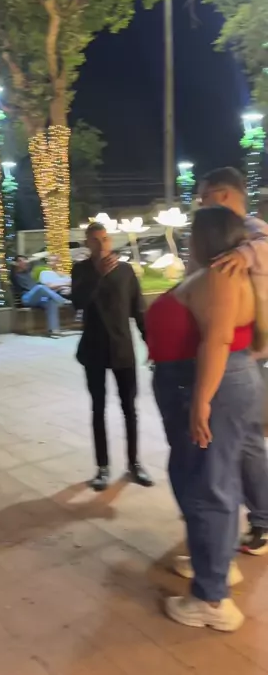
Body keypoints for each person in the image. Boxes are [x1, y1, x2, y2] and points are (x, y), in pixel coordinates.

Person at [147, 206, 268, 631]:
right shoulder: (221, 272)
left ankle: (212, 599)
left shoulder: (221, 275)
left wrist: (201, 401)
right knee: (206, 479)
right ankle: (215, 564)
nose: (187, 240)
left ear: (204, 236)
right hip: (206, 381)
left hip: (204, 384)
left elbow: (217, 338)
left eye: (191, 233)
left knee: (208, 485)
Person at [196, 167, 268, 556]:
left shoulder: (251, 233)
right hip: (236, 355)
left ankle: (260, 521)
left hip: (245, 356)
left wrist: (244, 252)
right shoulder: (226, 236)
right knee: (237, 444)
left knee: (244, 443)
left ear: (223, 195)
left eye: (204, 197)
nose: (200, 204)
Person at [71, 222, 154, 491]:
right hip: (93, 349)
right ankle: (102, 467)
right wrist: (97, 275)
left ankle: (134, 463)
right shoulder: (81, 270)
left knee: (129, 408)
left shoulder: (126, 271)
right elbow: (78, 302)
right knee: (98, 409)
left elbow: (138, 310)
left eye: (105, 239)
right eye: (95, 240)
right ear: (87, 243)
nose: (102, 244)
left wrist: (150, 342)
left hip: (122, 350)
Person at [10, 255, 70, 337]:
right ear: (16, 264)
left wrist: (28, 260)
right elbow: (11, 265)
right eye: (21, 261)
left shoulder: (28, 272)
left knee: (50, 301)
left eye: (24, 260)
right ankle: (62, 301)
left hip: (37, 299)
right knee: (40, 287)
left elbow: (34, 262)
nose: (24, 262)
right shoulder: (14, 275)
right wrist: (15, 263)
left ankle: (53, 330)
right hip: (27, 298)